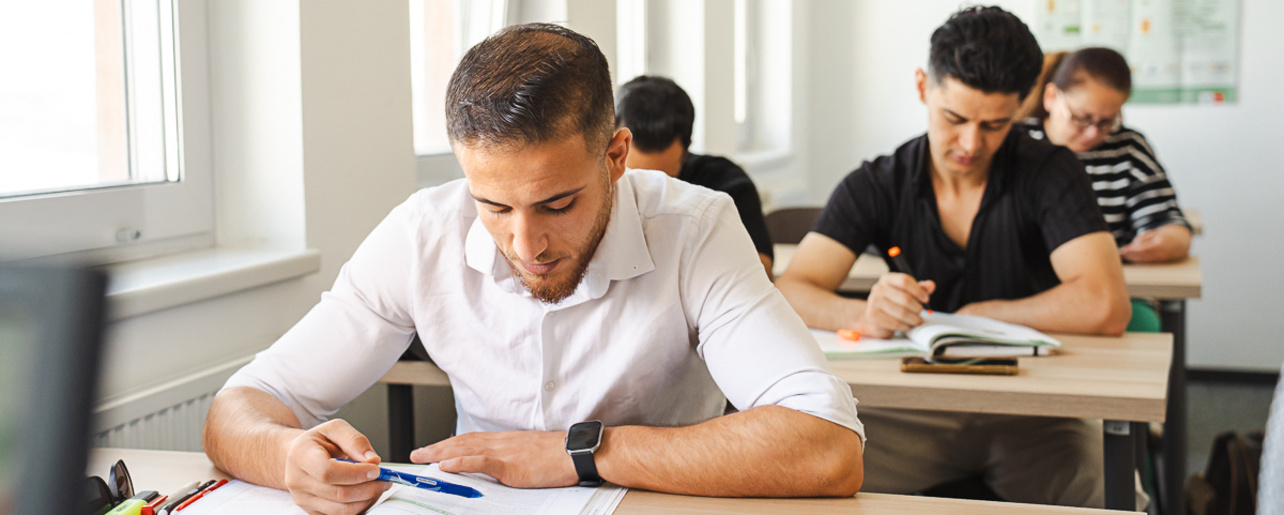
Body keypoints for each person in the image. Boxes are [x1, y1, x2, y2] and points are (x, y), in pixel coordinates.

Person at [203, 23, 864, 515]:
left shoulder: (697, 228)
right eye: (494, 206)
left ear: (616, 156)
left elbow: (828, 445)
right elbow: (239, 408)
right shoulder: (421, 233)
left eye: (557, 203)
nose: (527, 245)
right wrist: (288, 456)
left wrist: (582, 452)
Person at [775, 6, 1130, 508]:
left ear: (1022, 107)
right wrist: (864, 315)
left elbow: (1105, 304)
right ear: (923, 87)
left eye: (995, 125)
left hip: (1036, 410)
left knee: (1110, 494)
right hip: (910, 407)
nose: (970, 143)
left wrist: (980, 316)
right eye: (954, 118)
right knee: (797, 477)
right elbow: (791, 290)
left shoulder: (1051, 171)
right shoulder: (877, 182)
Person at [1017, 48, 1191, 331]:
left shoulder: (1128, 150)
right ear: (1051, 97)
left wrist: (1167, 241)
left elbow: (1170, 222)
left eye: (1106, 122)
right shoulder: (1018, 145)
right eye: (1081, 118)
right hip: (1028, 293)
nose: (1093, 133)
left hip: (1110, 293)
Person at [615, 75, 775, 279]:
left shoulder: (726, 183)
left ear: (686, 149)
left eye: (662, 179)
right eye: (633, 178)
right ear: (614, 145)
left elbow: (761, 268)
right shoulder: (595, 187)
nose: (648, 189)